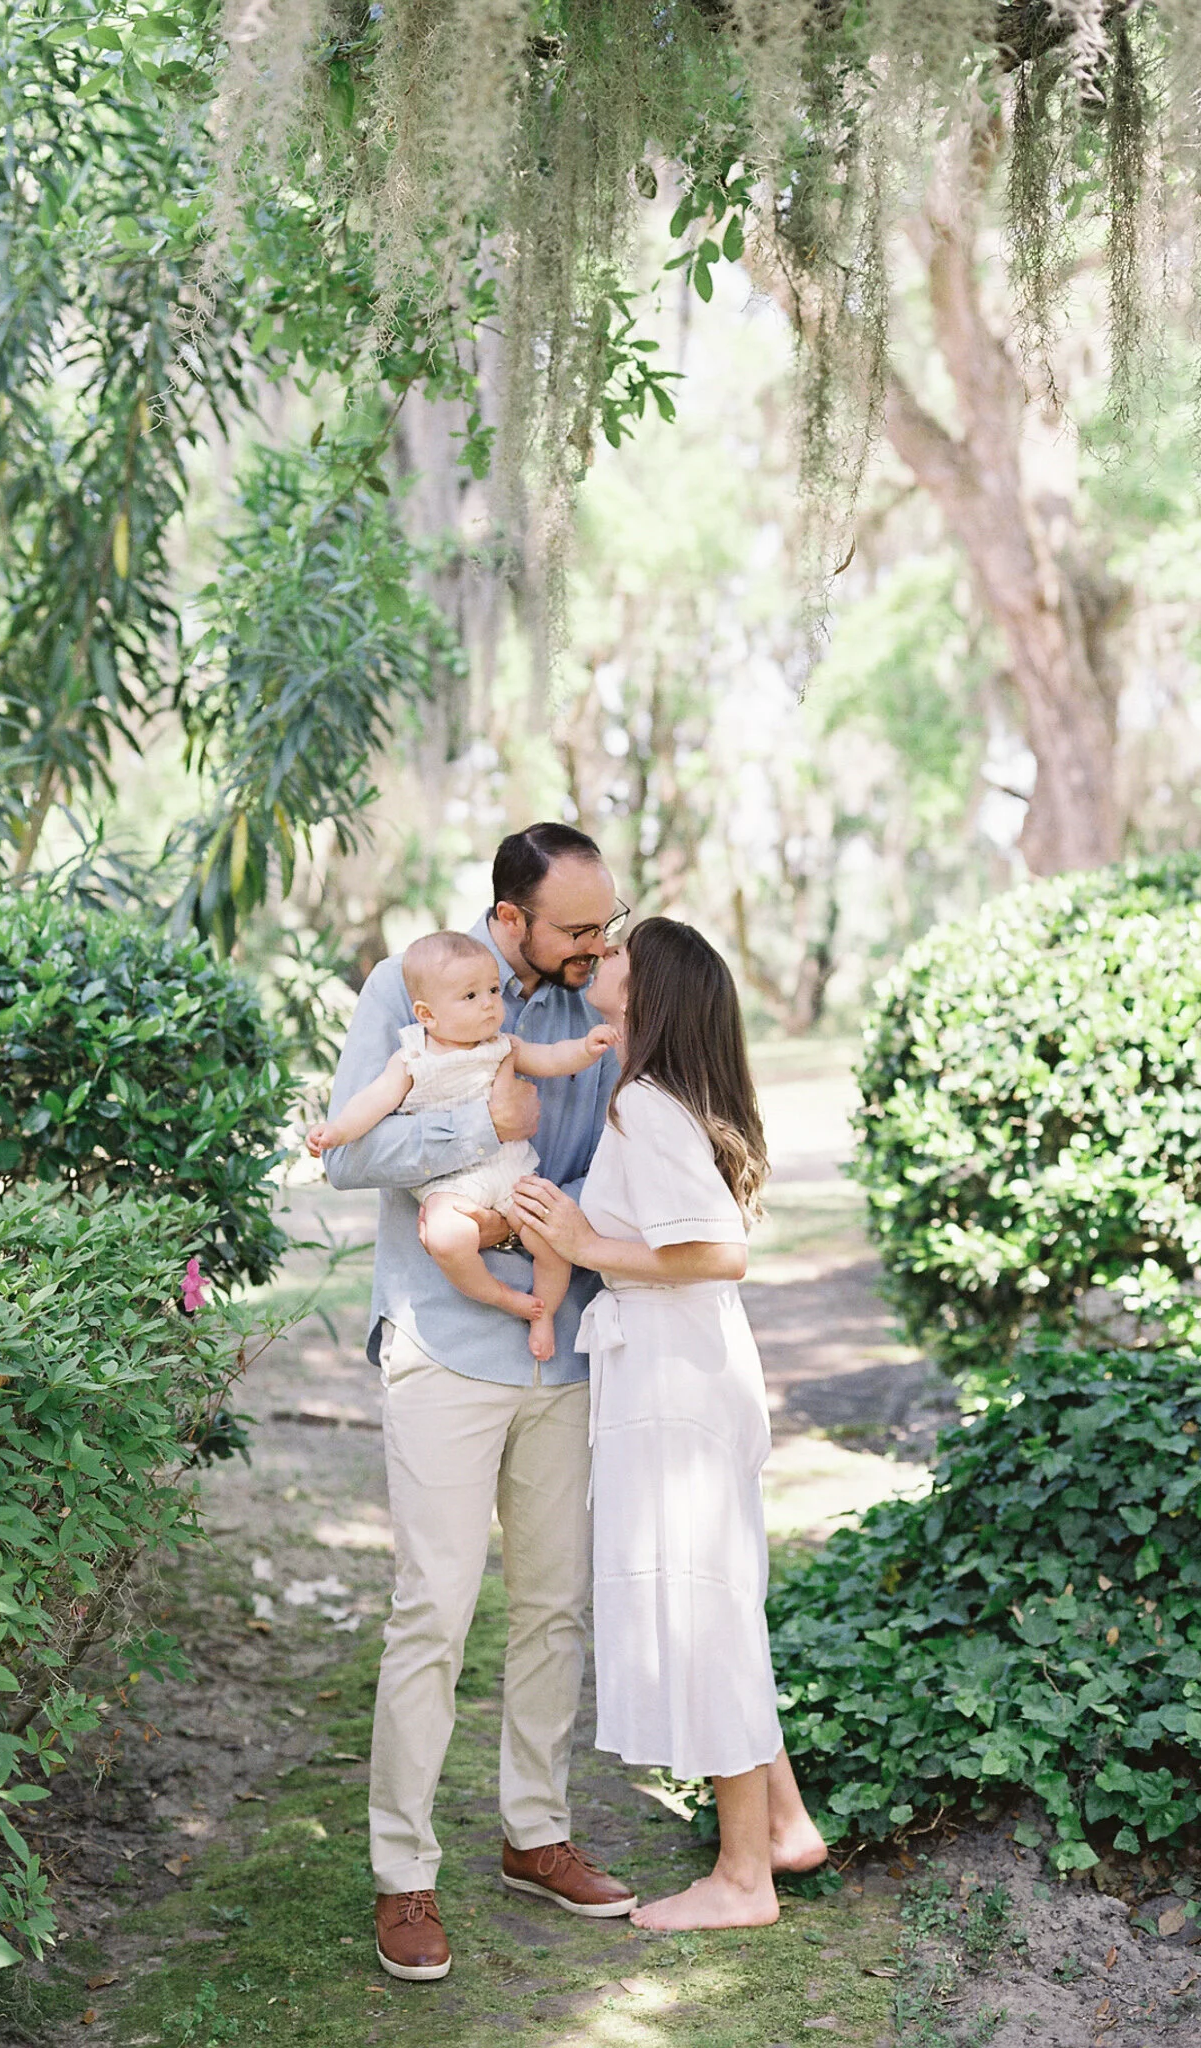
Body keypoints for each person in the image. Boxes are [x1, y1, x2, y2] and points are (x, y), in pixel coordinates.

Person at [321, 824, 637, 1983]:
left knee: (553, 1605)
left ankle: (534, 1833)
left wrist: (547, 1215)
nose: (595, 945)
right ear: (509, 918)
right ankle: (403, 1875)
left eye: (605, 923)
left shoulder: (599, 998)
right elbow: (349, 1155)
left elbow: (618, 1147)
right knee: (434, 1613)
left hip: (566, 1340)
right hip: (445, 1344)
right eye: (574, 927)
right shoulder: (406, 987)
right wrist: (483, 1132)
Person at [513, 915, 829, 1931]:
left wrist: (581, 1241)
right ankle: (782, 1822)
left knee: (705, 1611)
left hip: (675, 1379)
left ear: (649, 989)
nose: (601, 955)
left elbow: (719, 1250)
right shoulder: (656, 1094)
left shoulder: (645, 1104)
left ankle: (742, 1879)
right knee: (715, 1595)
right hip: (681, 1363)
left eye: (619, 951)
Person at [307, 931, 618, 1361]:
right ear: (427, 1015)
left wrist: (585, 1048)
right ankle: (503, 1297)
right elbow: (373, 1102)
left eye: (492, 990)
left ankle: (543, 1313)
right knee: (446, 1237)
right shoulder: (413, 1057)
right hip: (452, 1182)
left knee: (549, 1239)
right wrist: (337, 1131)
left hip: (511, 1171)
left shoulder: (502, 1046)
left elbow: (551, 1058)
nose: (489, 1004)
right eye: (470, 996)